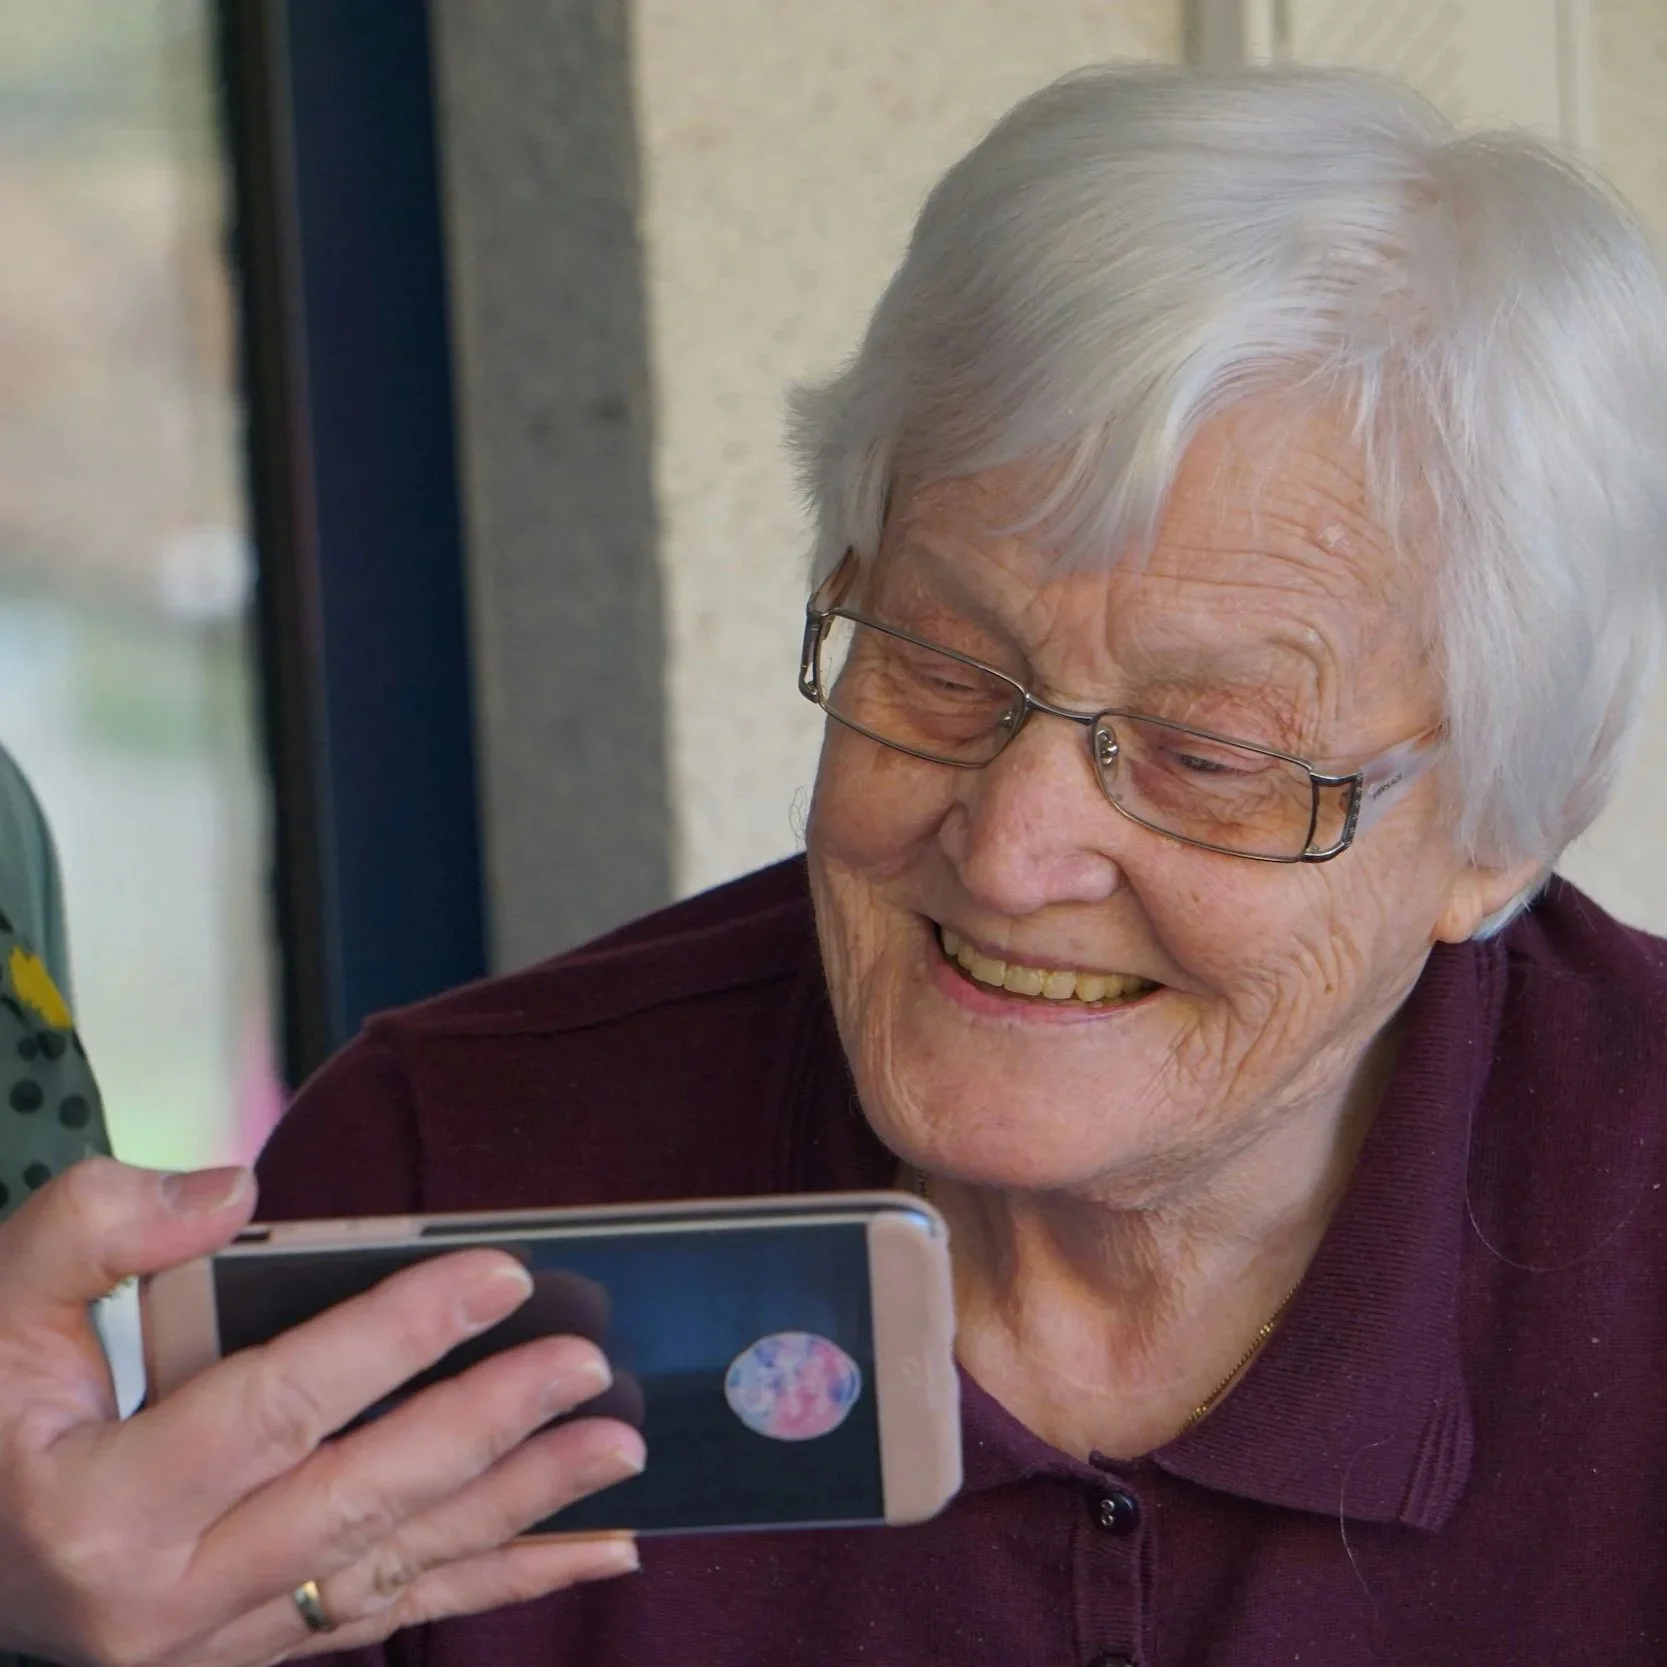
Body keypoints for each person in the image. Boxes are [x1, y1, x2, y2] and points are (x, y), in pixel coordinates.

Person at [11, 60, 1667, 1664]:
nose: (1008, 851)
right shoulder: (454, 1182)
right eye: (938, 667)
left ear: (1497, 832)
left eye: (1207, 755)